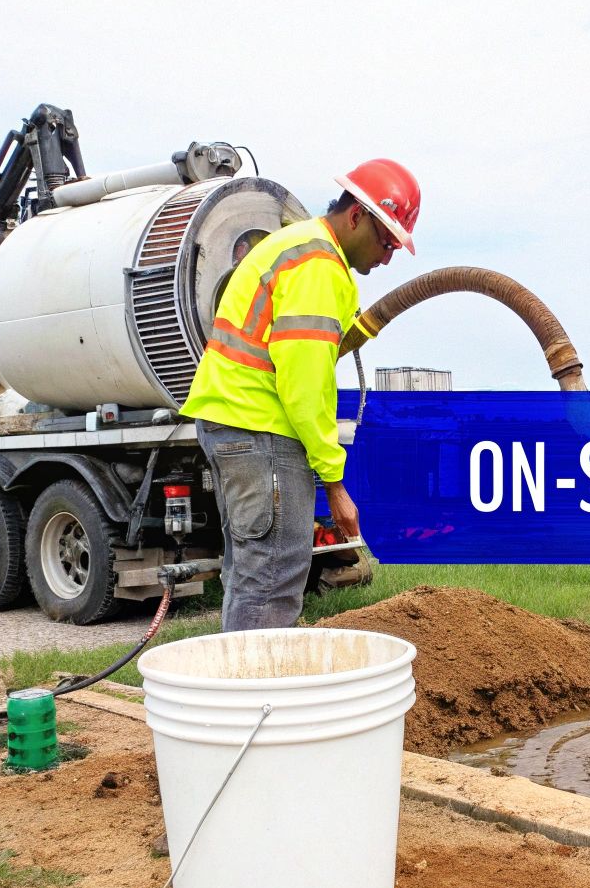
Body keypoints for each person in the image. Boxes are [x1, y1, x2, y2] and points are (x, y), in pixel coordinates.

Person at [180, 159, 420, 631]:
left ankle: (239, 674)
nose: (388, 258)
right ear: (357, 216)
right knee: (272, 582)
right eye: (386, 241)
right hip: (262, 429)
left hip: (235, 424)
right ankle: (261, 679)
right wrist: (335, 483)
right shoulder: (318, 266)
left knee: (252, 578)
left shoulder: (297, 247)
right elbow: (305, 381)